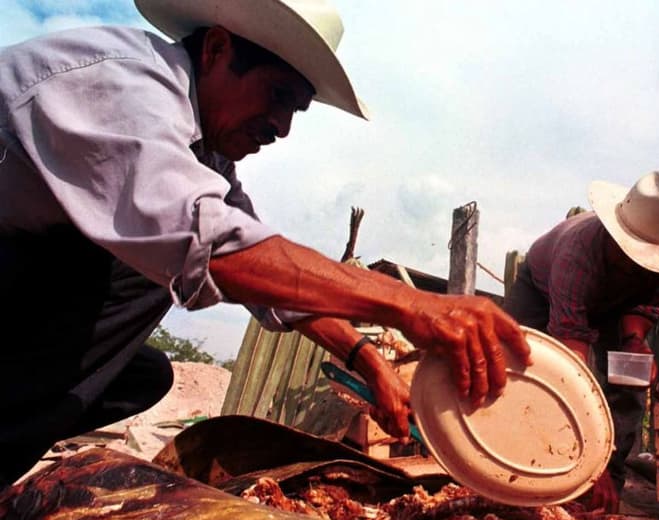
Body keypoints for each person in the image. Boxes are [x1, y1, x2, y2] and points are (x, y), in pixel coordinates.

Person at [0, 0, 529, 487]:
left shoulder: (205, 158)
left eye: (296, 110)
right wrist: (409, 303)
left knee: (141, 378)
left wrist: (373, 364)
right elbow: (216, 249)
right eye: (279, 96)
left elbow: (271, 283)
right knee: (155, 269)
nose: (282, 127)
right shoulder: (124, 87)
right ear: (216, 50)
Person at [504, 171, 659, 512]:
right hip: (542, 292)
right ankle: (524, 471)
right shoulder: (577, 256)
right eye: (631, 256)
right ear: (614, 236)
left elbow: (647, 308)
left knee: (631, 380)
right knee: (520, 371)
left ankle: (607, 484)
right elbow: (570, 373)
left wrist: (634, 339)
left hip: (617, 308)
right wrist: (589, 465)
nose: (637, 266)